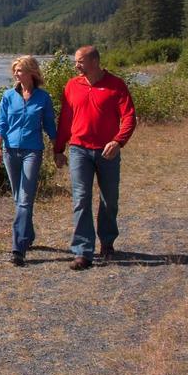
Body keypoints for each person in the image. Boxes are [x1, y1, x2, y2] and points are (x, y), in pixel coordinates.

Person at [53, 45, 136, 270]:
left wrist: (118, 142)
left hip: (107, 151)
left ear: (95, 61)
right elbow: (66, 119)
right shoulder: (72, 86)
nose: (76, 65)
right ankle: (83, 251)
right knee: (81, 198)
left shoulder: (116, 85)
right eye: (76, 61)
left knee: (109, 199)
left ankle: (107, 243)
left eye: (80, 61)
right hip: (79, 150)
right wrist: (58, 149)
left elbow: (129, 117)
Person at [0, 55, 57, 266]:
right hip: (10, 151)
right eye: (15, 70)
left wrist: (58, 149)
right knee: (18, 198)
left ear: (31, 72)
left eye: (20, 70)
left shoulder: (43, 98)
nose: (16, 74)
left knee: (25, 198)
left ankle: (18, 248)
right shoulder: (8, 96)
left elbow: (49, 125)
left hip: (32, 151)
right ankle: (28, 235)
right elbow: (1, 123)